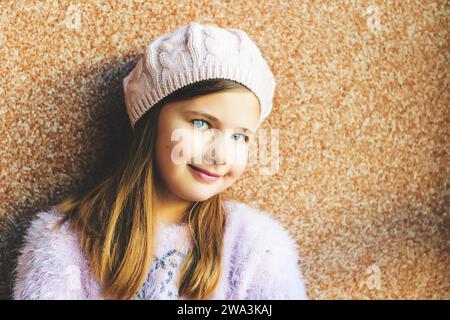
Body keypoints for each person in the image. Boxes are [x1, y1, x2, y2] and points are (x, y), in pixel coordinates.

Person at [12, 22, 308, 300]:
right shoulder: (64, 243)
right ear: (150, 121)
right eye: (202, 124)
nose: (221, 155)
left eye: (240, 136)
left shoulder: (254, 246)